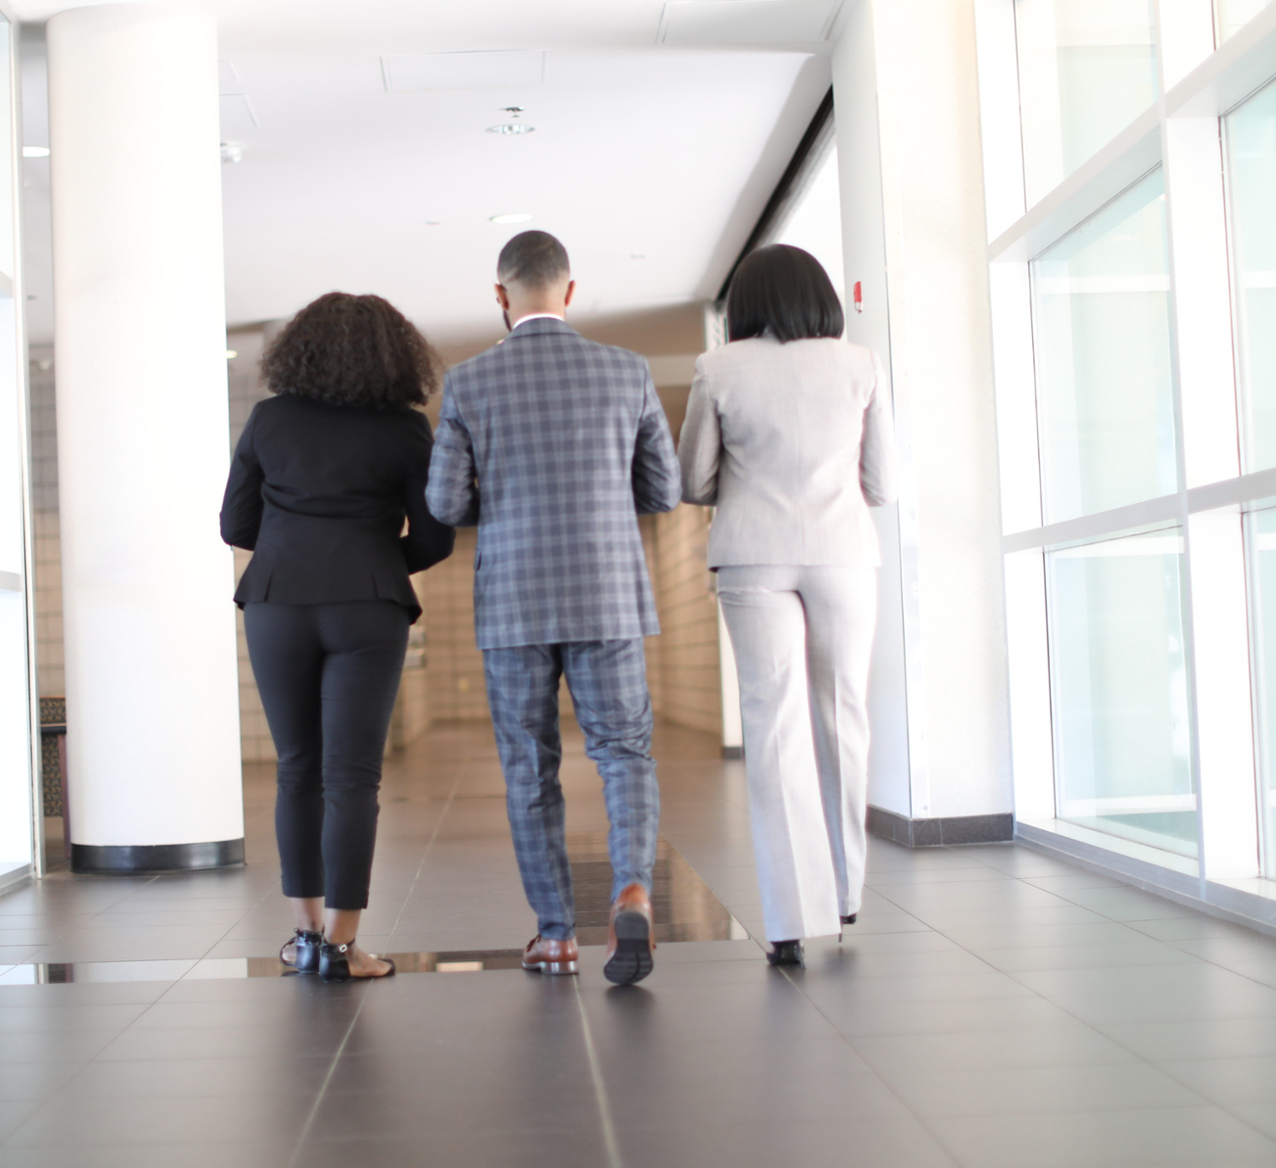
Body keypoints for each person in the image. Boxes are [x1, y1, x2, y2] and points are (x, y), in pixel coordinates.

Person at [427, 230, 681, 985]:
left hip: (512, 602)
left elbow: (443, 503)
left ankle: (557, 933)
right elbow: (663, 491)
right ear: (569, 292)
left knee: (528, 766)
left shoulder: (468, 382)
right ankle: (632, 885)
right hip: (608, 595)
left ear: (500, 297)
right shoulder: (628, 372)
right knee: (623, 752)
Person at [220, 292, 456, 981]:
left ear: (302, 349)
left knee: (298, 769)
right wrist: (376, 562)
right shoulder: (405, 429)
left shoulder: (269, 420)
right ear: (395, 354)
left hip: (277, 602)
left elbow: (236, 527)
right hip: (367, 608)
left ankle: (304, 938)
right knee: (353, 776)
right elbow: (436, 535)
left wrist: (297, 550)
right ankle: (346, 947)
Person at [676, 244, 896, 968]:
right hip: (843, 553)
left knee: (773, 729)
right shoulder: (859, 364)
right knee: (844, 716)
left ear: (747, 303)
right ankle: (845, 892)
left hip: (752, 553)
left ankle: (788, 918)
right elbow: (881, 483)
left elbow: (695, 479)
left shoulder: (719, 369)